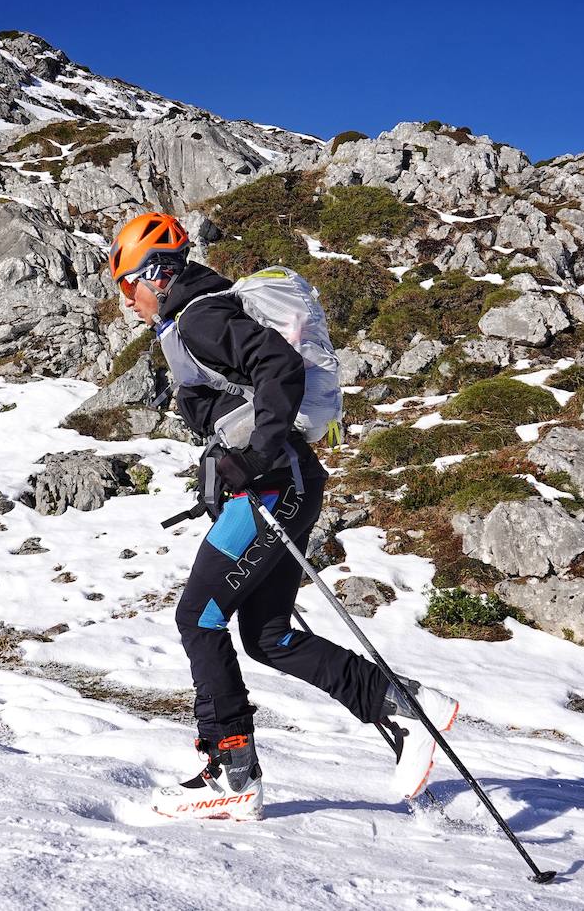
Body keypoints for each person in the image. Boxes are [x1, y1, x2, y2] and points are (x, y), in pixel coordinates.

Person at [106, 212, 459, 821]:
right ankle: (401, 705)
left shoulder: (201, 319)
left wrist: (258, 456)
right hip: (285, 482)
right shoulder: (198, 318)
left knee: (199, 618)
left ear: (154, 277)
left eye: (125, 285)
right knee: (266, 636)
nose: (125, 302)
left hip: (274, 486)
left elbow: (280, 368)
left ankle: (232, 772)